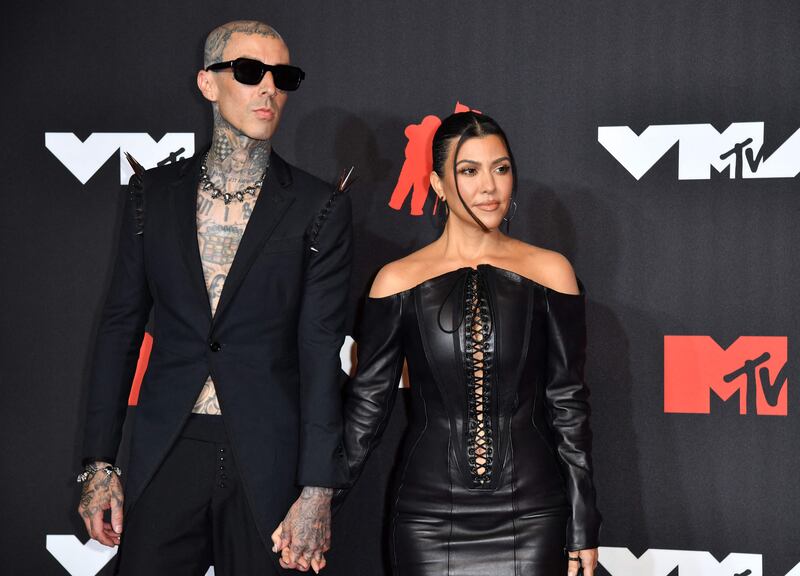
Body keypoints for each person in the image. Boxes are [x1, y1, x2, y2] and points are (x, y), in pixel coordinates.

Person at [76, 20, 351, 575]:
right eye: (249, 72)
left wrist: (318, 487)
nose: (269, 88)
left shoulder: (317, 206)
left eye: (284, 76)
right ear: (207, 83)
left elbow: (321, 354)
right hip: (167, 449)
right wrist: (98, 463)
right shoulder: (152, 197)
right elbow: (120, 329)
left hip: (270, 460)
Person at [339, 111, 601, 575]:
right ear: (437, 184)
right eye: (469, 171)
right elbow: (366, 411)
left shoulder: (550, 272)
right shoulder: (396, 281)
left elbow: (568, 404)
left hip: (534, 514)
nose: (490, 187)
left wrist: (583, 520)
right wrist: (318, 500)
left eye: (501, 169)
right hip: (427, 519)